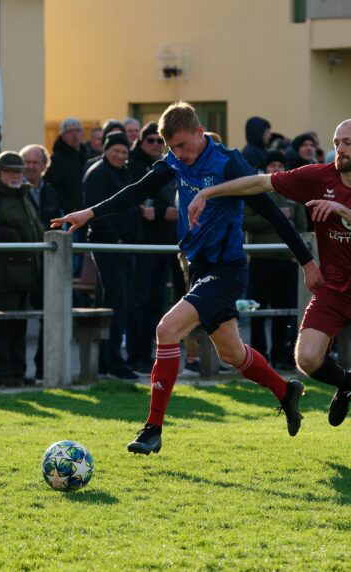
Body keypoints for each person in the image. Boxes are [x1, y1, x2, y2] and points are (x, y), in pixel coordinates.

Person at [52, 101, 320, 454]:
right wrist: (91, 212)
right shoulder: (176, 160)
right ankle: (286, 391)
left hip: (226, 269)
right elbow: (140, 189)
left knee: (167, 329)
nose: (178, 154)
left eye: (181, 144)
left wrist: (307, 262)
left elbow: (272, 212)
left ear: (199, 132)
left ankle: (152, 430)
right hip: (197, 267)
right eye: (171, 148)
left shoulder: (228, 162)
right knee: (231, 353)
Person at [188, 118, 351, 470]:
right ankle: (347, 382)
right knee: (307, 359)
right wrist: (208, 192)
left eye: (347, 142)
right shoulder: (318, 176)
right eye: (336, 142)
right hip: (335, 288)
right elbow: (261, 182)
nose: (340, 149)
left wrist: (342, 210)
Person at [83, 131, 140, 381]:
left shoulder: (125, 173)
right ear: (105, 150)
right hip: (108, 246)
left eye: (124, 152)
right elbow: (97, 211)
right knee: (113, 302)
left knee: (121, 303)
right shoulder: (97, 174)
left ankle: (110, 359)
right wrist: (117, 238)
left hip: (126, 246)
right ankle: (111, 361)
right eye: (115, 150)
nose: (120, 155)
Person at [243, 150, 308, 369]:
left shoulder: (295, 192)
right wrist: (274, 216)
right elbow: (246, 222)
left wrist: (296, 253)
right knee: (258, 312)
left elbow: (302, 226)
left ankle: (282, 355)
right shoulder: (254, 189)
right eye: (272, 165)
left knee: (286, 311)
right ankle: (259, 357)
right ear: (265, 168)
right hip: (261, 259)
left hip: (287, 261)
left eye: (280, 164)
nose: (276, 168)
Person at [0, 152, 45, 386]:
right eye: (10, 171)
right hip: (4, 272)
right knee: (3, 324)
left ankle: (17, 372)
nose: (15, 175)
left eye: (19, 171)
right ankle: (1, 373)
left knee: (20, 324)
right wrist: (5, 235)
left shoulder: (25, 194)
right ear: (0, 172)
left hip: (28, 273)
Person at [126, 123, 178, 375]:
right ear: (140, 142)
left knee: (158, 301)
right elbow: (134, 202)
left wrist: (160, 212)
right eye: (150, 140)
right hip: (142, 243)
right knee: (140, 301)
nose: (156, 145)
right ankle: (137, 355)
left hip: (164, 243)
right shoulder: (133, 166)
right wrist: (159, 212)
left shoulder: (166, 165)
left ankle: (152, 354)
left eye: (160, 141)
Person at [20, 143, 61, 380]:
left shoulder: (51, 192)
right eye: (27, 161)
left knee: (49, 318)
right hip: (24, 264)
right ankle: (18, 371)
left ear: (44, 166)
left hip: (47, 264)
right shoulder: (16, 190)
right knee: (18, 319)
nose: (31, 167)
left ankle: (43, 368)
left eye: (36, 162)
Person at [46, 117, 88, 215]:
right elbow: (51, 188)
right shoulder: (56, 160)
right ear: (63, 135)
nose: (74, 134)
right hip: (69, 214)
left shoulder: (87, 155)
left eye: (77, 130)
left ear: (82, 133)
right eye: (70, 131)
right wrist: (69, 207)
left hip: (88, 211)